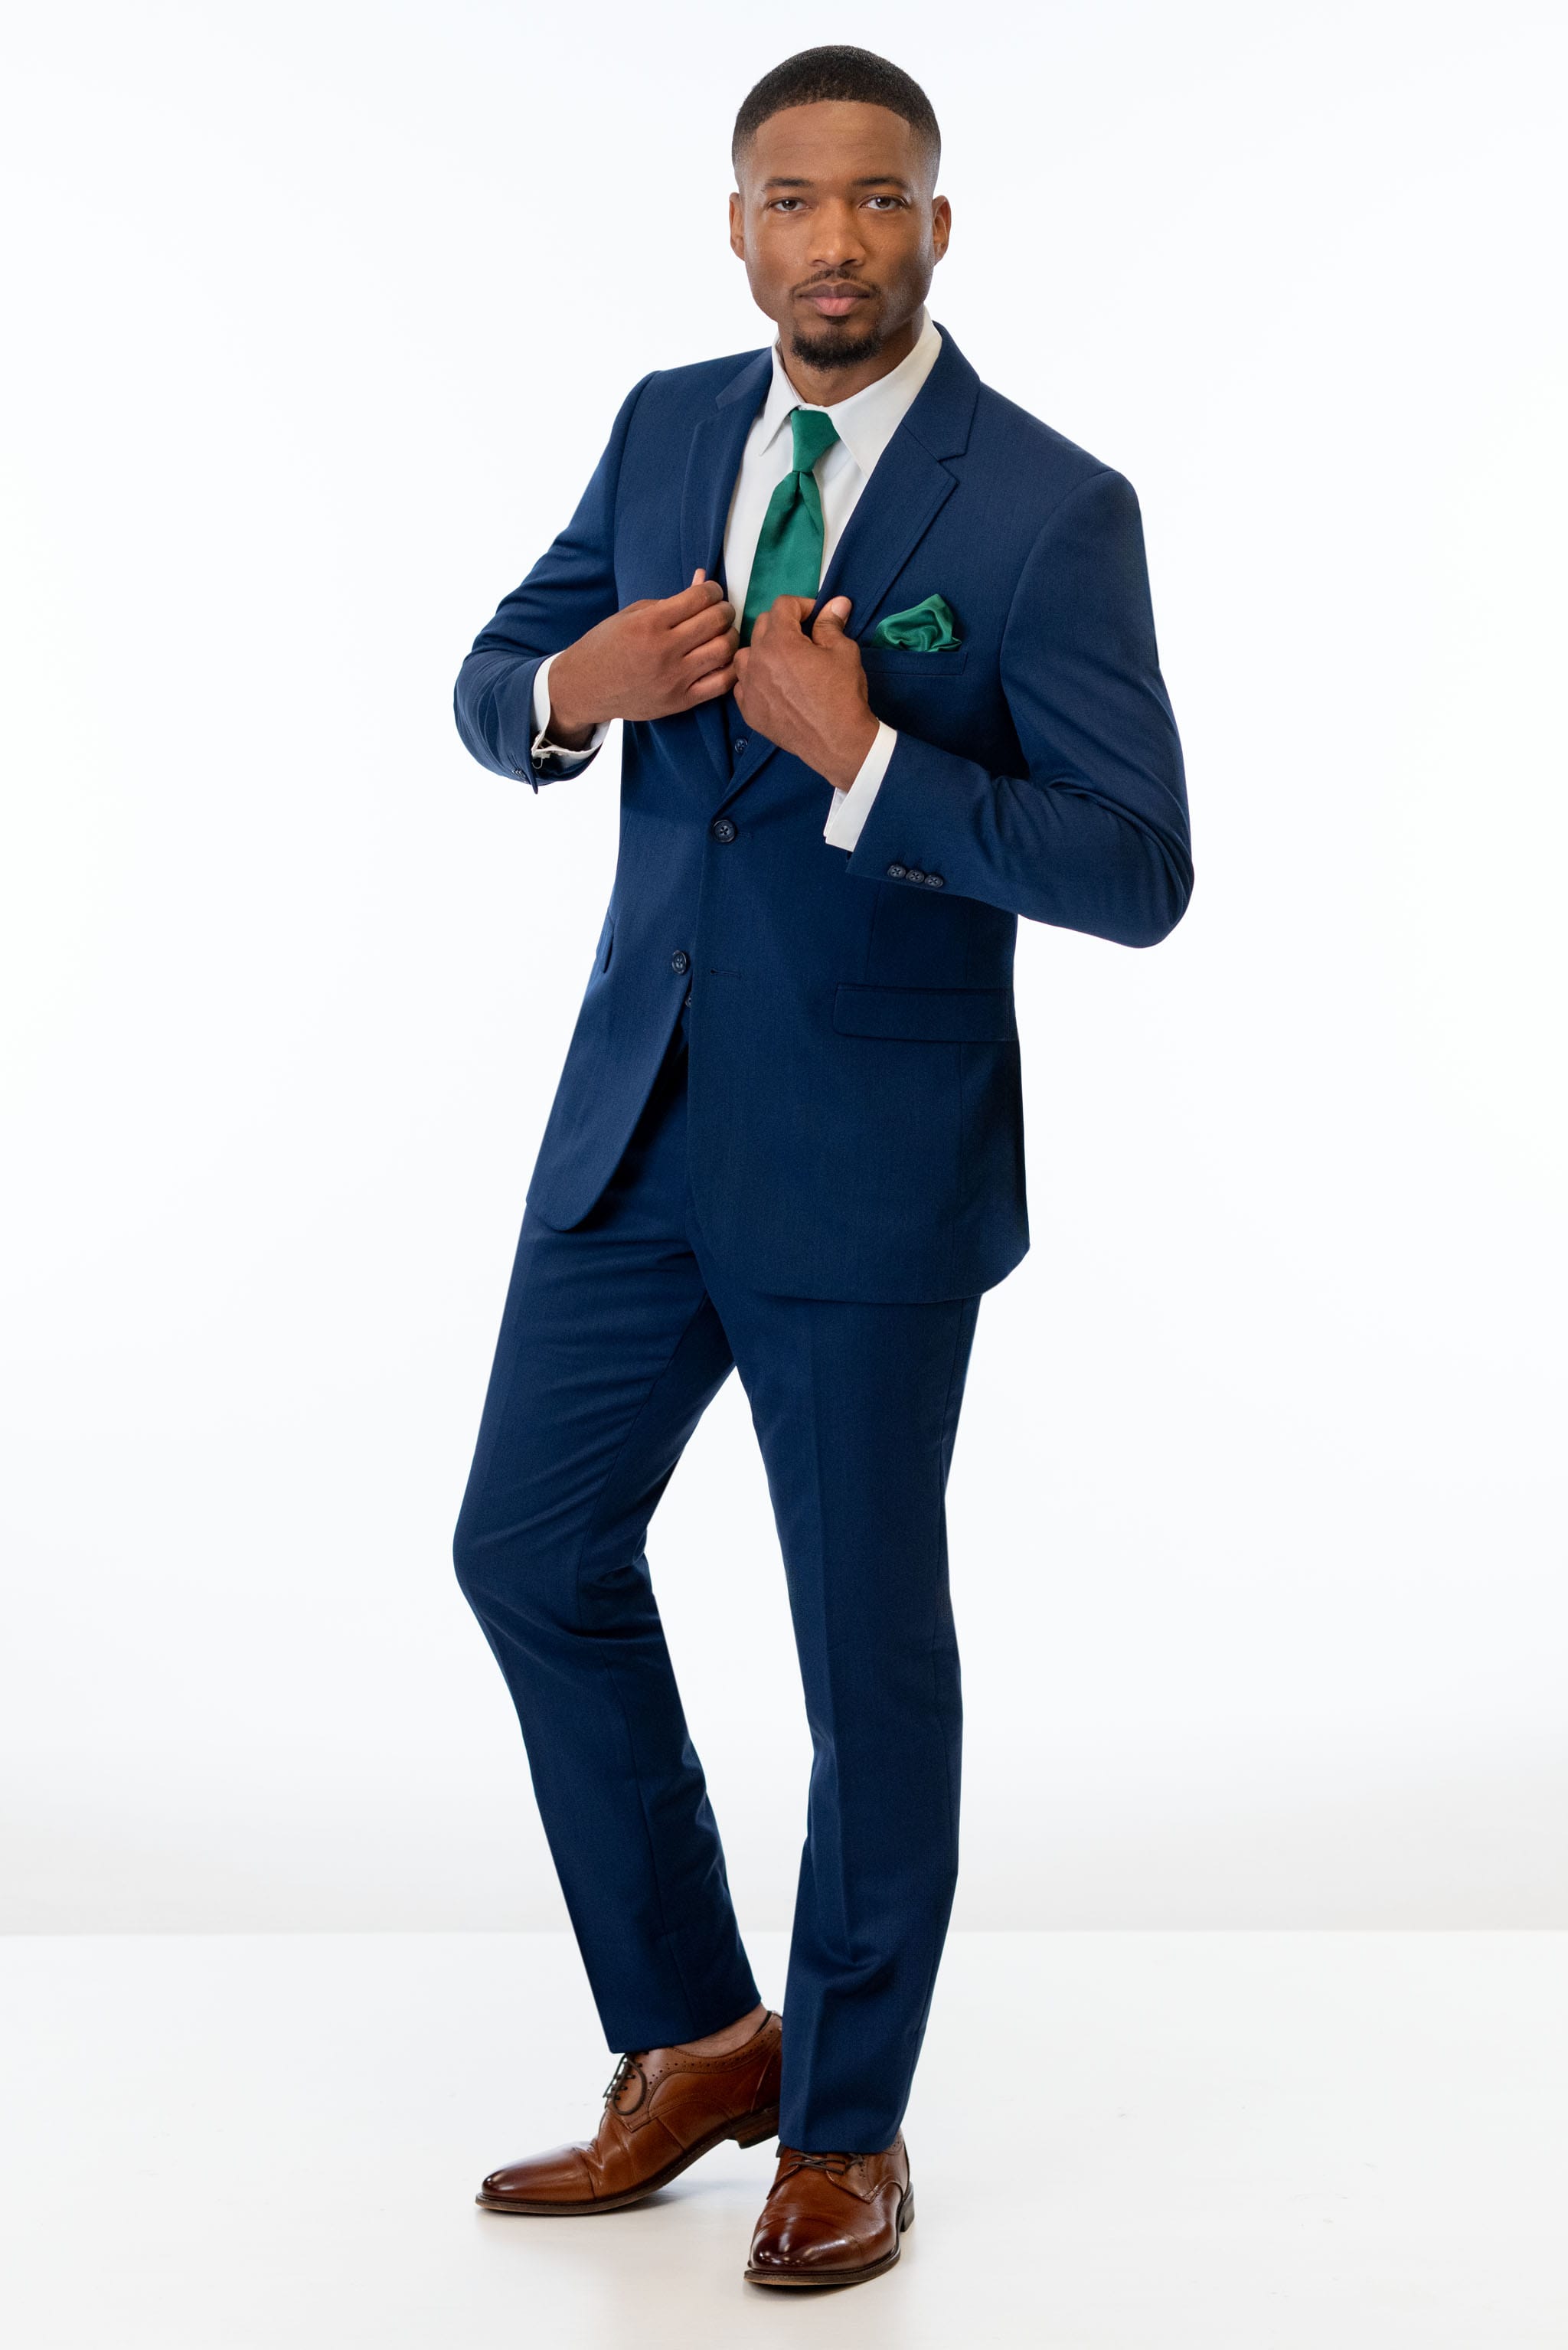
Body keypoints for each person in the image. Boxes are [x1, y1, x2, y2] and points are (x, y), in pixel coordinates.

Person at [450, 44, 1191, 2291]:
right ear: (741, 225)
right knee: (527, 1549)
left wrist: (870, 762)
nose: (836, 240)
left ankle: (847, 2124)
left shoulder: (1048, 508)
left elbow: (1140, 865)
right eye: (794, 200)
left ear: (938, 229)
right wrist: (574, 688)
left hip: (871, 1161)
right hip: (637, 1124)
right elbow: (495, 682)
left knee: (866, 1655)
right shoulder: (672, 421)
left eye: (880, 201)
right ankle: (697, 2032)